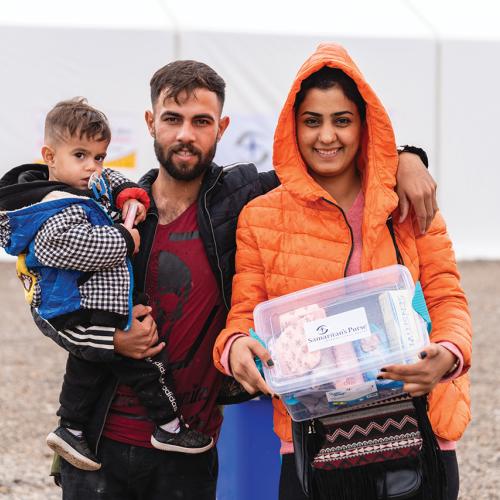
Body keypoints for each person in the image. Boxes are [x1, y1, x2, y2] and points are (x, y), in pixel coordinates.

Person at [34, 61, 436, 499]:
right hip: (99, 443)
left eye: (201, 121)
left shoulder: (241, 197)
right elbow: (48, 304)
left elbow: (327, 159)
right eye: (172, 119)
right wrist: (114, 341)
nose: (186, 134)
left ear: (222, 128)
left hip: (191, 444)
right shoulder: (117, 214)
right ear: (151, 123)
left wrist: (407, 157)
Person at [213, 43, 471, 500]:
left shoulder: (409, 203)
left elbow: (447, 296)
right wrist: (235, 347)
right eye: (312, 120)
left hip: (419, 428)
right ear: (293, 128)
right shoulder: (260, 216)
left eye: (342, 120)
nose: (326, 136)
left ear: (364, 124)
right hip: (314, 440)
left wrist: (448, 355)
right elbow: (245, 316)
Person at [0, 98, 214, 472]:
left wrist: (129, 194)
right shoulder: (53, 206)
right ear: (49, 155)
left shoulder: (83, 181)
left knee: (89, 370)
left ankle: (71, 428)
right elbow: (66, 247)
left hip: (91, 297)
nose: (91, 167)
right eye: (81, 155)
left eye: (98, 156)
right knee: (144, 362)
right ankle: (168, 425)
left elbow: (108, 178)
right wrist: (123, 238)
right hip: (74, 302)